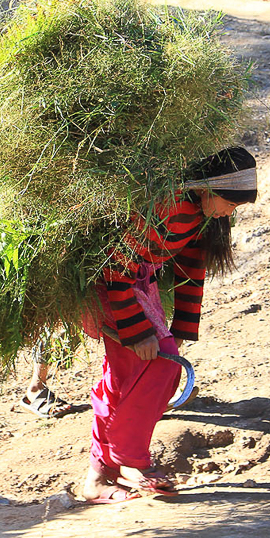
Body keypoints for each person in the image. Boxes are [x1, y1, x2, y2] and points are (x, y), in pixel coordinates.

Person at [81, 147, 257, 504]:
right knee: (159, 363)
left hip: (136, 287)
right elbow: (115, 265)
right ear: (208, 188)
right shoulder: (165, 205)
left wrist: (181, 326)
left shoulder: (201, 215)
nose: (229, 212)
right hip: (107, 285)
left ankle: (100, 476)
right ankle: (130, 460)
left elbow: (191, 266)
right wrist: (139, 331)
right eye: (229, 203)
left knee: (126, 375)